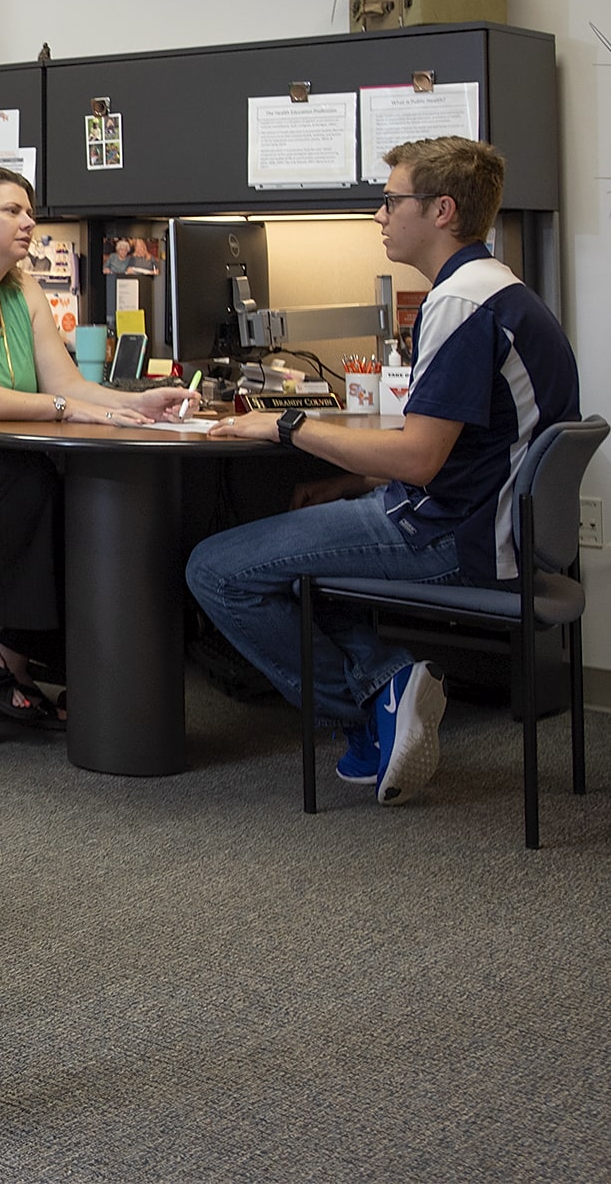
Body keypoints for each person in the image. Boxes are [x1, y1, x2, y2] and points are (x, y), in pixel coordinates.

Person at [187, 137, 579, 806]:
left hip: (457, 537)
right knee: (305, 531)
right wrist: (347, 483)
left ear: (441, 210)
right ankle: (387, 693)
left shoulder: (461, 304)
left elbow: (419, 458)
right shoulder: (497, 289)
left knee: (216, 571)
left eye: (393, 200)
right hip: (490, 524)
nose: (379, 214)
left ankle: (370, 702)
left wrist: (287, 424)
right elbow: (463, 452)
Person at [0, 167, 185, 723]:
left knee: (75, 486)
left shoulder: (21, 288)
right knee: (22, 481)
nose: (29, 221)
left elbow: (68, 385)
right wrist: (64, 410)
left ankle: (18, 651)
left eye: (30, 211)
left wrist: (131, 407)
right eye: (11, 211)